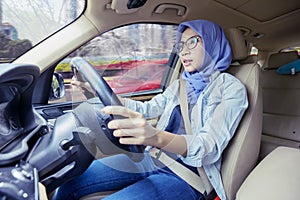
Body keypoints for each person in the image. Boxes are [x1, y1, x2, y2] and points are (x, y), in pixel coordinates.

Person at [52, 19, 248, 200]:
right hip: (152, 158)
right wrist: (95, 91)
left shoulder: (231, 89)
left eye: (193, 42)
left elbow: (207, 147)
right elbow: (147, 109)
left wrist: (155, 137)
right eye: (180, 45)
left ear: (213, 43)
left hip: (187, 177)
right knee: (71, 182)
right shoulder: (180, 85)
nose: (183, 51)